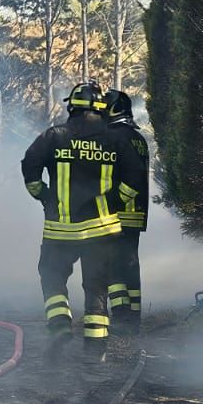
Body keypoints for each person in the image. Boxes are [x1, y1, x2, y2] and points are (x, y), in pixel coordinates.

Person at [19, 80, 132, 360]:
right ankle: (95, 351)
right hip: (102, 229)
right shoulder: (116, 140)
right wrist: (113, 204)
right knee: (97, 287)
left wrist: (44, 195)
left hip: (61, 229)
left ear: (72, 107)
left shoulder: (54, 136)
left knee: (52, 275)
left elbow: (29, 165)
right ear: (101, 109)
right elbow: (133, 181)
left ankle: (59, 324)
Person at [100, 89, 150, 337]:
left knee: (112, 266)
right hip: (135, 214)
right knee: (130, 266)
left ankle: (121, 317)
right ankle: (133, 318)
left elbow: (131, 177)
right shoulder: (137, 138)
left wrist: (113, 202)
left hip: (117, 214)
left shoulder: (114, 137)